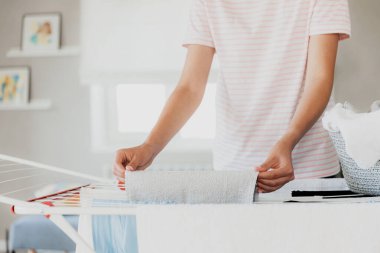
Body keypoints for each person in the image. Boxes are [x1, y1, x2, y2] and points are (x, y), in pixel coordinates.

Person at [114, 0, 351, 193]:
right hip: (235, 171)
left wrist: (288, 140)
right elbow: (190, 87)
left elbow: (319, 79)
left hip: (310, 168)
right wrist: (149, 147)